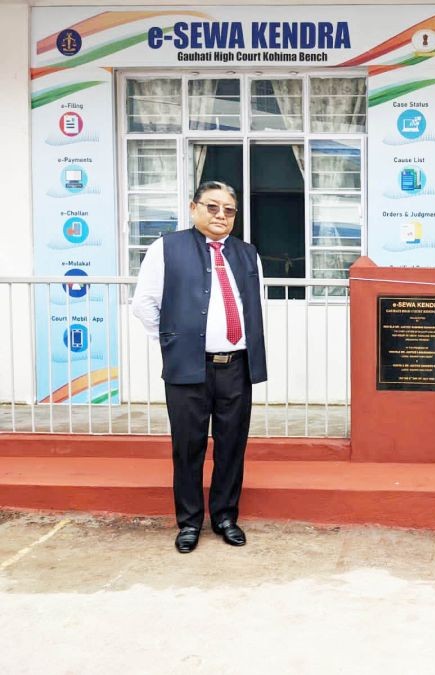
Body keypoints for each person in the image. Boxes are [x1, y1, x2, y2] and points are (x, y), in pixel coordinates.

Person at [133, 181, 267, 553]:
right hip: (188, 367)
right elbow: (144, 304)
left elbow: (254, 307)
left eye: (229, 210)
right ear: (194, 208)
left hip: (236, 367)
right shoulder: (166, 249)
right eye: (212, 207)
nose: (221, 215)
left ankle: (225, 516)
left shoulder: (247, 254)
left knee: (232, 445)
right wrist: (174, 343)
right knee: (188, 447)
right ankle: (189, 522)